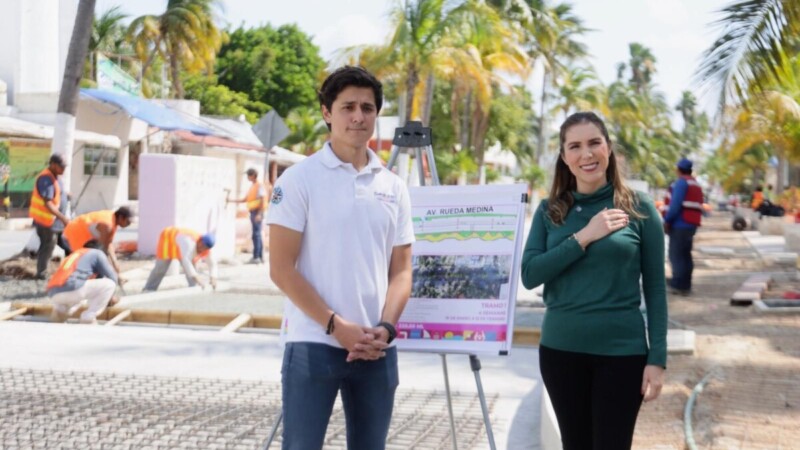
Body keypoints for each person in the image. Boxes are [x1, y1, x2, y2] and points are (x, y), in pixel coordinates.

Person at [266, 65, 414, 450]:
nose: (358, 116)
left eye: (367, 108)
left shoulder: (393, 186)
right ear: (327, 112)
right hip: (314, 343)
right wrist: (336, 326)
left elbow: (401, 271)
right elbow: (281, 269)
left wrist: (386, 327)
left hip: (377, 347)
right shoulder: (299, 180)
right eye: (348, 106)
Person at [520, 112, 667, 450]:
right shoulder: (549, 211)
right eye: (575, 146)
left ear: (608, 148)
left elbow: (656, 290)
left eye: (593, 143)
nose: (586, 154)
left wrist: (657, 358)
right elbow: (530, 275)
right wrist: (584, 236)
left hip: (622, 354)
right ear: (564, 157)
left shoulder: (639, 208)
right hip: (561, 352)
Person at [47, 240, 120, 324]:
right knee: (109, 285)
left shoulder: (76, 254)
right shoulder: (97, 253)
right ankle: (89, 316)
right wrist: (111, 297)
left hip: (53, 292)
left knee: (80, 291)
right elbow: (113, 277)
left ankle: (60, 312)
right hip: (72, 288)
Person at [664, 157, 703, 296]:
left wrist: (666, 221)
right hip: (691, 224)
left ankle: (678, 284)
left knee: (676, 255)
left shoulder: (681, 183)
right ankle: (686, 284)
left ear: (679, 170)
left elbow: (674, 206)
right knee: (686, 254)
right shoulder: (695, 184)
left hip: (680, 224)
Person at [29, 154, 70, 279]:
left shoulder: (55, 177)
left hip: (54, 222)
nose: (64, 169)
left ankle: (69, 270)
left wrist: (66, 195)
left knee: (65, 244)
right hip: (45, 222)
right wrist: (63, 218)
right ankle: (41, 273)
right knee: (48, 245)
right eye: (61, 166)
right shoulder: (46, 179)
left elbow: (57, 194)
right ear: (53, 164)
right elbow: (47, 203)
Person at [63, 207, 133, 280]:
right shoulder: (107, 224)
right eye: (128, 222)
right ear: (121, 217)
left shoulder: (113, 220)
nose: (129, 224)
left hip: (81, 238)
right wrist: (113, 274)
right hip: (72, 236)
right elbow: (101, 251)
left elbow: (108, 244)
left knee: (93, 267)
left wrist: (115, 265)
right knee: (82, 268)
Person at [143, 226, 217, 291]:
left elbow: (212, 264)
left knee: (192, 269)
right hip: (168, 240)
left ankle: (195, 289)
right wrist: (197, 278)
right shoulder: (189, 242)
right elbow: (186, 262)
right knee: (161, 268)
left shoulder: (207, 249)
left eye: (205, 248)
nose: (202, 248)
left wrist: (213, 277)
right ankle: (149, 289)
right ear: (200, 240)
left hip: (181, 247)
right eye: (202, 245)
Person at [229, 168, 266, 264]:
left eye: (248, 175)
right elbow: (245, 199)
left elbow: (262, 199)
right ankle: (260, 257)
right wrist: (231, 200)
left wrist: (259, 214)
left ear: (253, 175)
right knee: (257, 234)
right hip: (253, 212)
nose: (247, 177)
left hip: (257, 212)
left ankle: (256, 257)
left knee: (256, 235)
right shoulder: (253, 186)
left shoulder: (259, 185)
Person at [51, 178, 72, 257]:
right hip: (58, 223)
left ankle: (70, 254)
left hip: (60, 223)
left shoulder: (62, 196)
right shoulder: (63, 198)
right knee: (60, 241)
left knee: (61, 241)